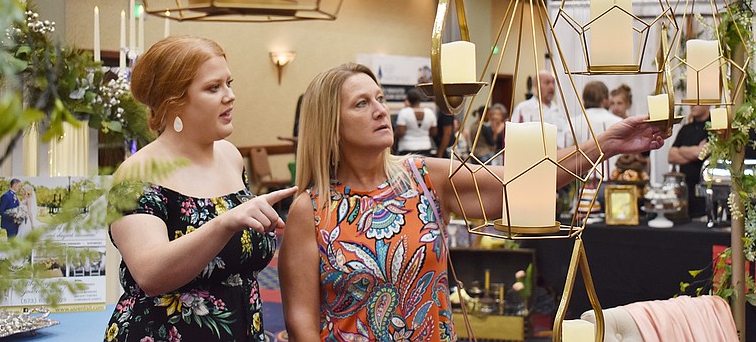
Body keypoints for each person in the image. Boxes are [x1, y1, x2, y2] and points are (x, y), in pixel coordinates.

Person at [278, 63, 666, 341]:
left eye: (380, 98)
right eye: (361, 104)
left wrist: (605, 145)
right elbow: (301, 324)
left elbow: (520, 184)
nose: (381, 109)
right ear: (331, 125)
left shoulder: (423, 176)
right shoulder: (310, 210)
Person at [105, 36, 296, 342]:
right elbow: (150, 274)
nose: (230, 96)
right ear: (173, 100)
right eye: (213, 88)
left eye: (229, 83)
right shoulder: (136, 175)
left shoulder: (230, 157)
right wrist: (225, 223)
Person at [668, 105, 710, 218]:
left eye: (697, 101)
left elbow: (705, 152)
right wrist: (696, 151)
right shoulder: (686, 129)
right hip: (685, 193)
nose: (692, 104)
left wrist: (681, 150)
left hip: (705, 194)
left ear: (708, 102)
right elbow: (671, 156)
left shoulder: (714, 128)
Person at [510, 71, 569, 148]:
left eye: (553, 83)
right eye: (547, 83)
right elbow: (514, 137)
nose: (551, 87)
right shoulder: (522, 109)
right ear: (536, 85)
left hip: (560, 156)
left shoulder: (560, 110)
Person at [395, 88, 437, 156]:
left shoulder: (404, 112)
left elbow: (401, 132)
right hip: (425, 148)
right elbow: (434, 132)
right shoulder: (430, 112)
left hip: (407, 149)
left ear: (408, 99)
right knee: (423, 166)